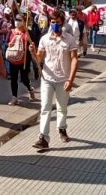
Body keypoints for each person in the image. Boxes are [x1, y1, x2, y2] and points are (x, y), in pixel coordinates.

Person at [29, 10, 78, 150]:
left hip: (63, 79)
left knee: (62, 107)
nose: (54, 24)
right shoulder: (44, 39)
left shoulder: (69, 39)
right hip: (47, 78)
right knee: (45, 108)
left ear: (62, 23)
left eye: (56, 22)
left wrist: (70, 79)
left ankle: (62, 128)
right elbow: (39, 59)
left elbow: (75, 59)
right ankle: (43, 138)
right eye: (52, 22)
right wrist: (33, 53)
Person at [7, 14, 36, 106]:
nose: (17, 21)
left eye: (19, 20)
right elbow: (8, 42)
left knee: (24, 78)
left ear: (24, 21)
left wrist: (29, 42)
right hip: (13, 59)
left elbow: (34, 46)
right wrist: (9, 44)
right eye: (16, 19)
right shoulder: (11, 31)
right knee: (13, 78)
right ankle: (14, 97)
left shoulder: (29, 33)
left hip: (24, 60)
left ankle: (30, 89)